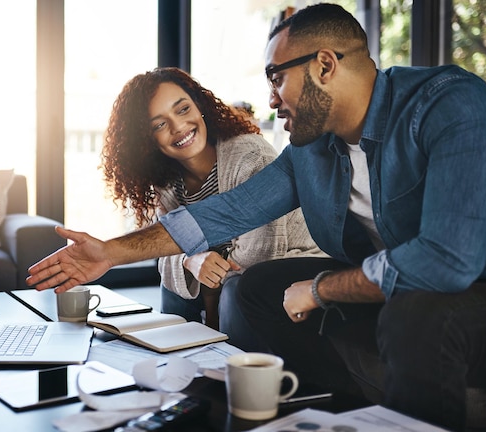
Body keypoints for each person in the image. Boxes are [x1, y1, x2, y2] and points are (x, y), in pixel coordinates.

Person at [27, 4, 486, 430]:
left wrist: (320, 289)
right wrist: (110, 252)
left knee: (414, 313)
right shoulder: (311, 149)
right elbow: (226, 212)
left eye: (276, 77)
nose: (270, 99)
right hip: (392, 285)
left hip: (476, 293)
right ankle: (327, 413)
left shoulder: (449, 105)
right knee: (251, 290)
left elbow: (446, 261)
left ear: (325, 65)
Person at [100, 67, 322, 334]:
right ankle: (178, 356)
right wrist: (190, 261)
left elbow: (260, 255)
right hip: (227, 275)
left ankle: (219, 354)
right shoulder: (165, 181)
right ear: (147, 140)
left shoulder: (249, 155)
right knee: (174, 280)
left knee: (232, 287)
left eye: (183, 109)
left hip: (291, 262)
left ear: (200, 105)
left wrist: (208, 276)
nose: (178, 127)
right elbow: (163, 252)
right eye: (159, 124)